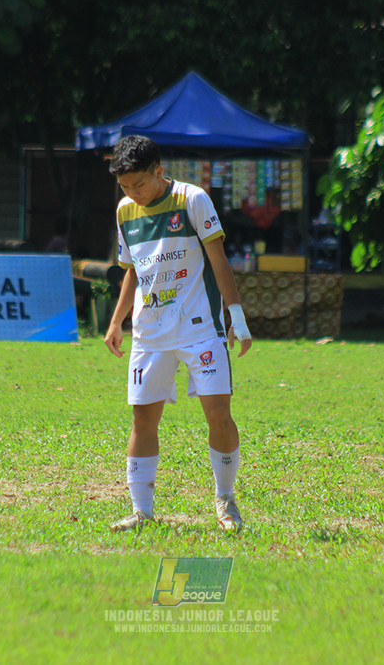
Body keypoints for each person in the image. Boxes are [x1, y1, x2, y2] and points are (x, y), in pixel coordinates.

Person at [103, 135, 252, 533]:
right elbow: (134, 268)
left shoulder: (192, 200)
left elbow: (218, 260)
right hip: (149, 334)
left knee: (219, 415)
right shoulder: (124, 211)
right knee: (142, 421)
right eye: (125, 187)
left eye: (138, 184)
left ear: (159, 171)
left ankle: (225, 501)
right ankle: (141, 511)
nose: (132, 193)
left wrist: (236, 316)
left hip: (200, 330)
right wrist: (117, 322)